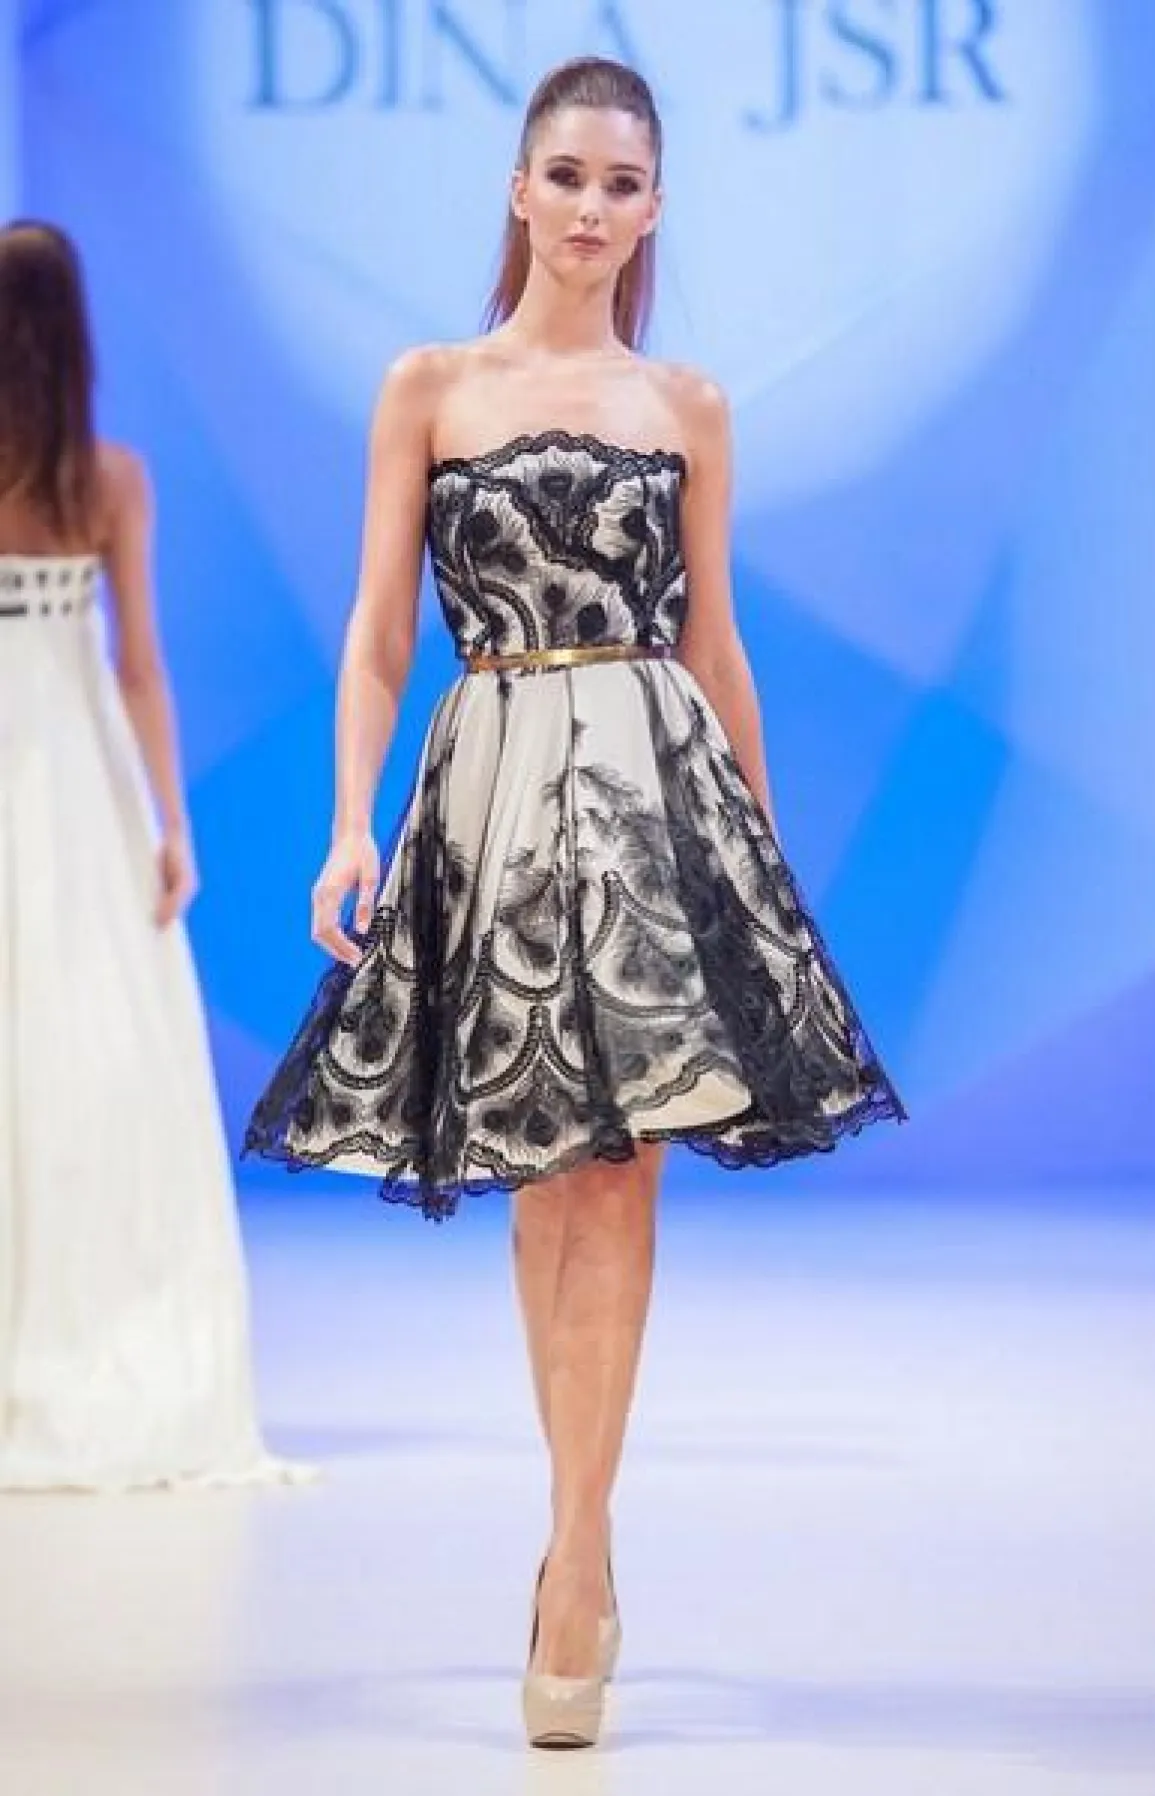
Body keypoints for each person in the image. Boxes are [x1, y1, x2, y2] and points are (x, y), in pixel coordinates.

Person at [245, 57, 904, 1745]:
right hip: (491, 793)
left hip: (652, 800)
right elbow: (379, 634)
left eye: (623, 182)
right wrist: (346, 824)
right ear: (518, 189)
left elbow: (715, 643)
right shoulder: (429, 388)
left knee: (618, 1179)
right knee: (544, 1188)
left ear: (655, 206)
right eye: (568, 175)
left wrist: (762, 858)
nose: (593, 207)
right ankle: (575, 1537)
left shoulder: (690, 405)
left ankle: (577, 1563)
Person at [0, 220, 305, 1493]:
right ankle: (90, 1332)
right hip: (74, 782)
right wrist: (174, 822)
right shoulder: (110, 478)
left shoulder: (107, 478)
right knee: (85, 1049)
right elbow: (138, 669)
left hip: (51, 772)